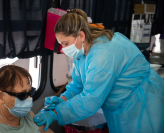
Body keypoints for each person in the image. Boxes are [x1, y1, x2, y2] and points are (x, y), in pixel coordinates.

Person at [34, 8, 164, 133]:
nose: (63, 48)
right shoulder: (82, 53)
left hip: (142, 104)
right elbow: (78, 86)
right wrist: (62, 99)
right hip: (120, 109)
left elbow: (90, 100)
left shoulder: (102, 54)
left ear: (81, 35)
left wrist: (56, 113)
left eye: (65, 43)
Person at [0, 65, 53, 133]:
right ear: (0, 96)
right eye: (22, 95)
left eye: (30, 92)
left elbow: (43, 131)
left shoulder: (23, 112)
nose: (29, 98)